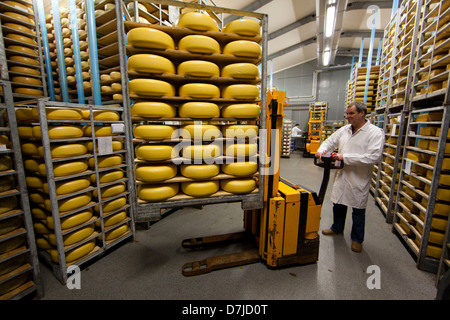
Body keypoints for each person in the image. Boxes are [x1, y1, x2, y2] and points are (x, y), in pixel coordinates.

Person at [314, 101, 384, 253]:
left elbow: (373, 157)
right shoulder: (345, 130)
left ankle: (357, 239)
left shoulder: (375, 132)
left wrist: (344, 157)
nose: (348, 117)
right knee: (338, 202)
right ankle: (337, 228)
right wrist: (321, 150)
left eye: (351, 113)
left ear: (362, 113)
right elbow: (329, 141)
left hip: (358, 176)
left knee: (358, 209)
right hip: (342, 173)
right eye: (347, 114)